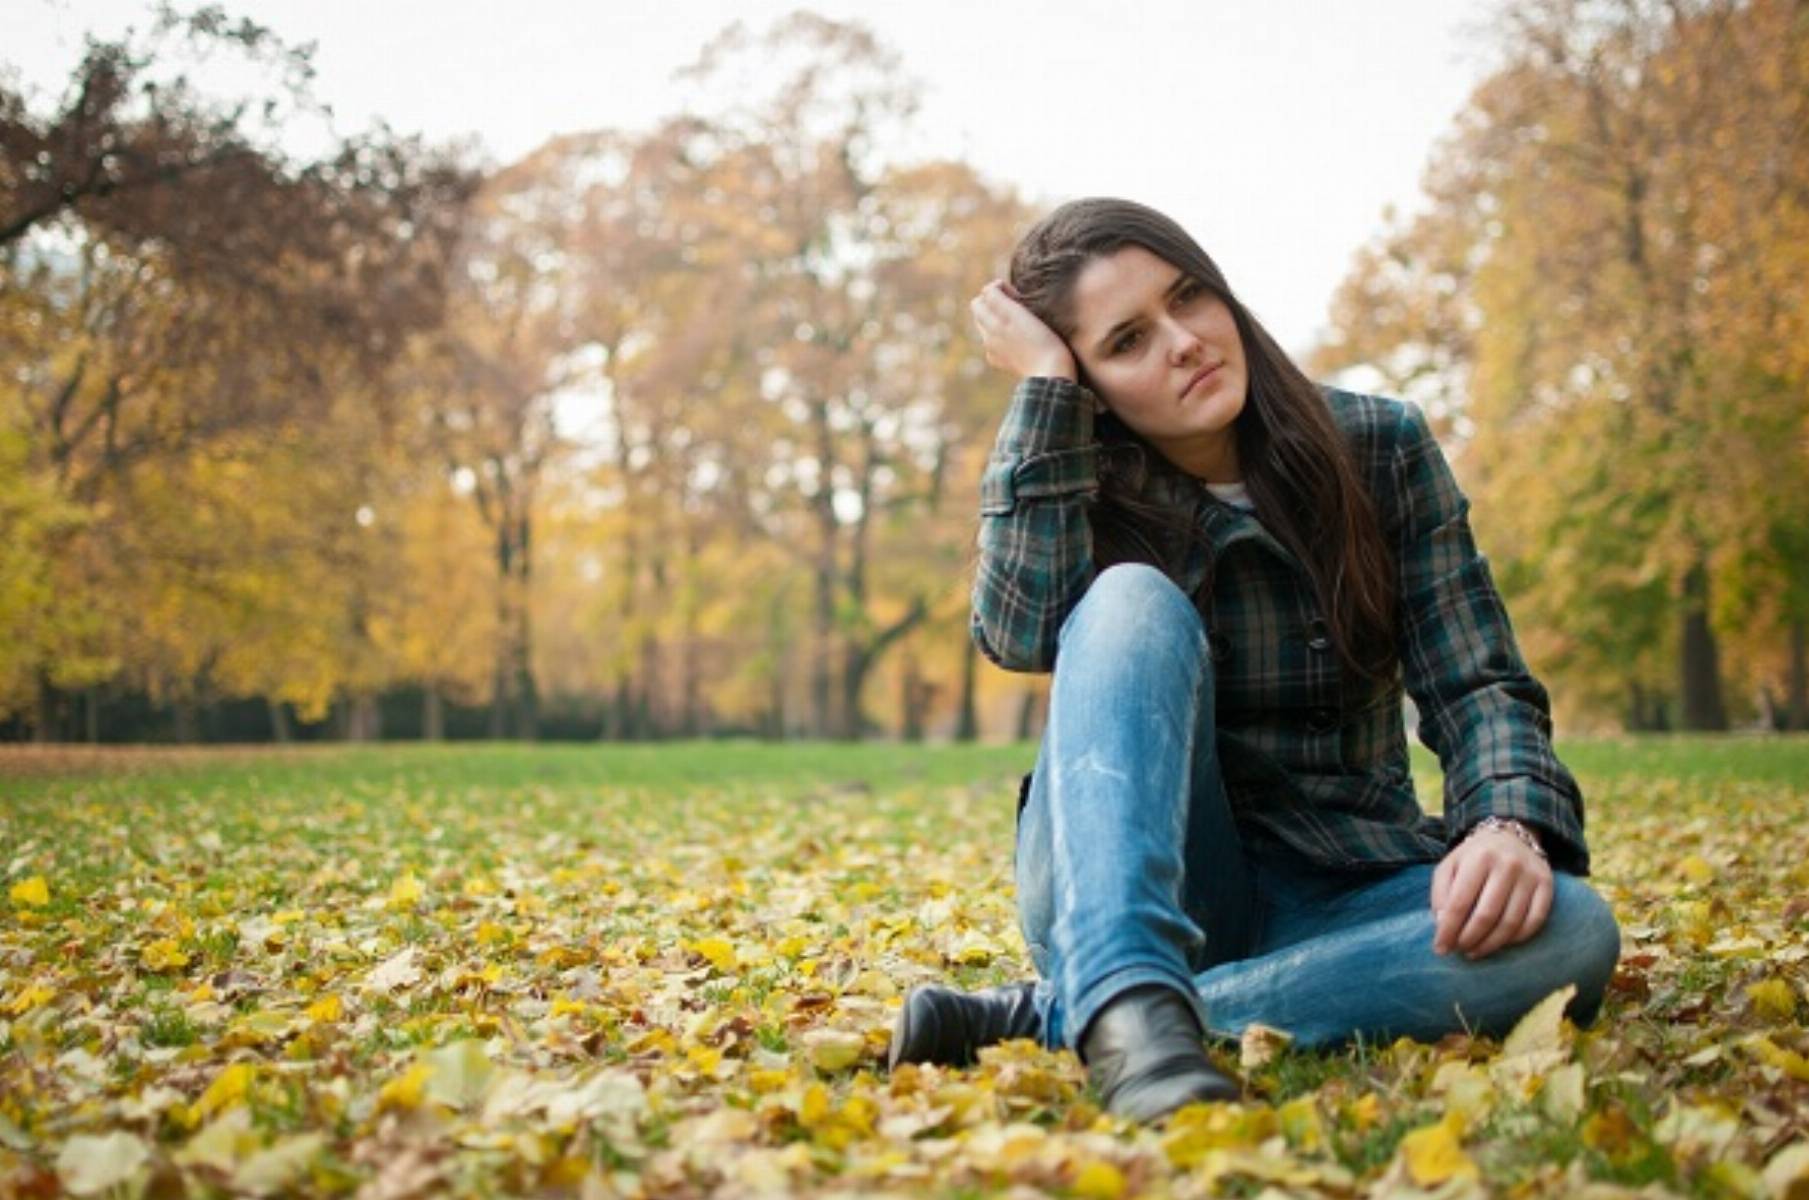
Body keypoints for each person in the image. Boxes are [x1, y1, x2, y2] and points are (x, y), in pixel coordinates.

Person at [887, 198, 1621, 1122]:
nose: (1184, 341)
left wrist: (1506, 828)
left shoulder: (1380, 450)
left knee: (1570, 931)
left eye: (1188, 298)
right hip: (1143, 891)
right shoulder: (1080, 484)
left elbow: (1478, 681)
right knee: (1127, 598)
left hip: (1349, 883)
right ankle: (1125, 978)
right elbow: (1019, 632)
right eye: (1126, 342)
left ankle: (1084, 1018)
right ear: (1092, 386)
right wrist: (1044, 389)